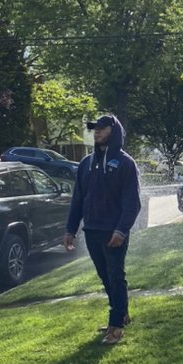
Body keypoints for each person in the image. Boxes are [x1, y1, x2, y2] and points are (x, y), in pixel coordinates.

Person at [63, 114, 141, 344]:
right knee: (105, 276)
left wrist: (121, 231)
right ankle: (121, 312)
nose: (96, 132)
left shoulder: (125, 163)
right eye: (94, 128)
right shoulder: (86, 163)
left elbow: (132, 202)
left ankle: (116, 326)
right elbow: (78, 199)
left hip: (114, 232)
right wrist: (70, 229)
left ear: (113, 131)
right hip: (92, 230)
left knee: (116, 275)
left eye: (102, 128)